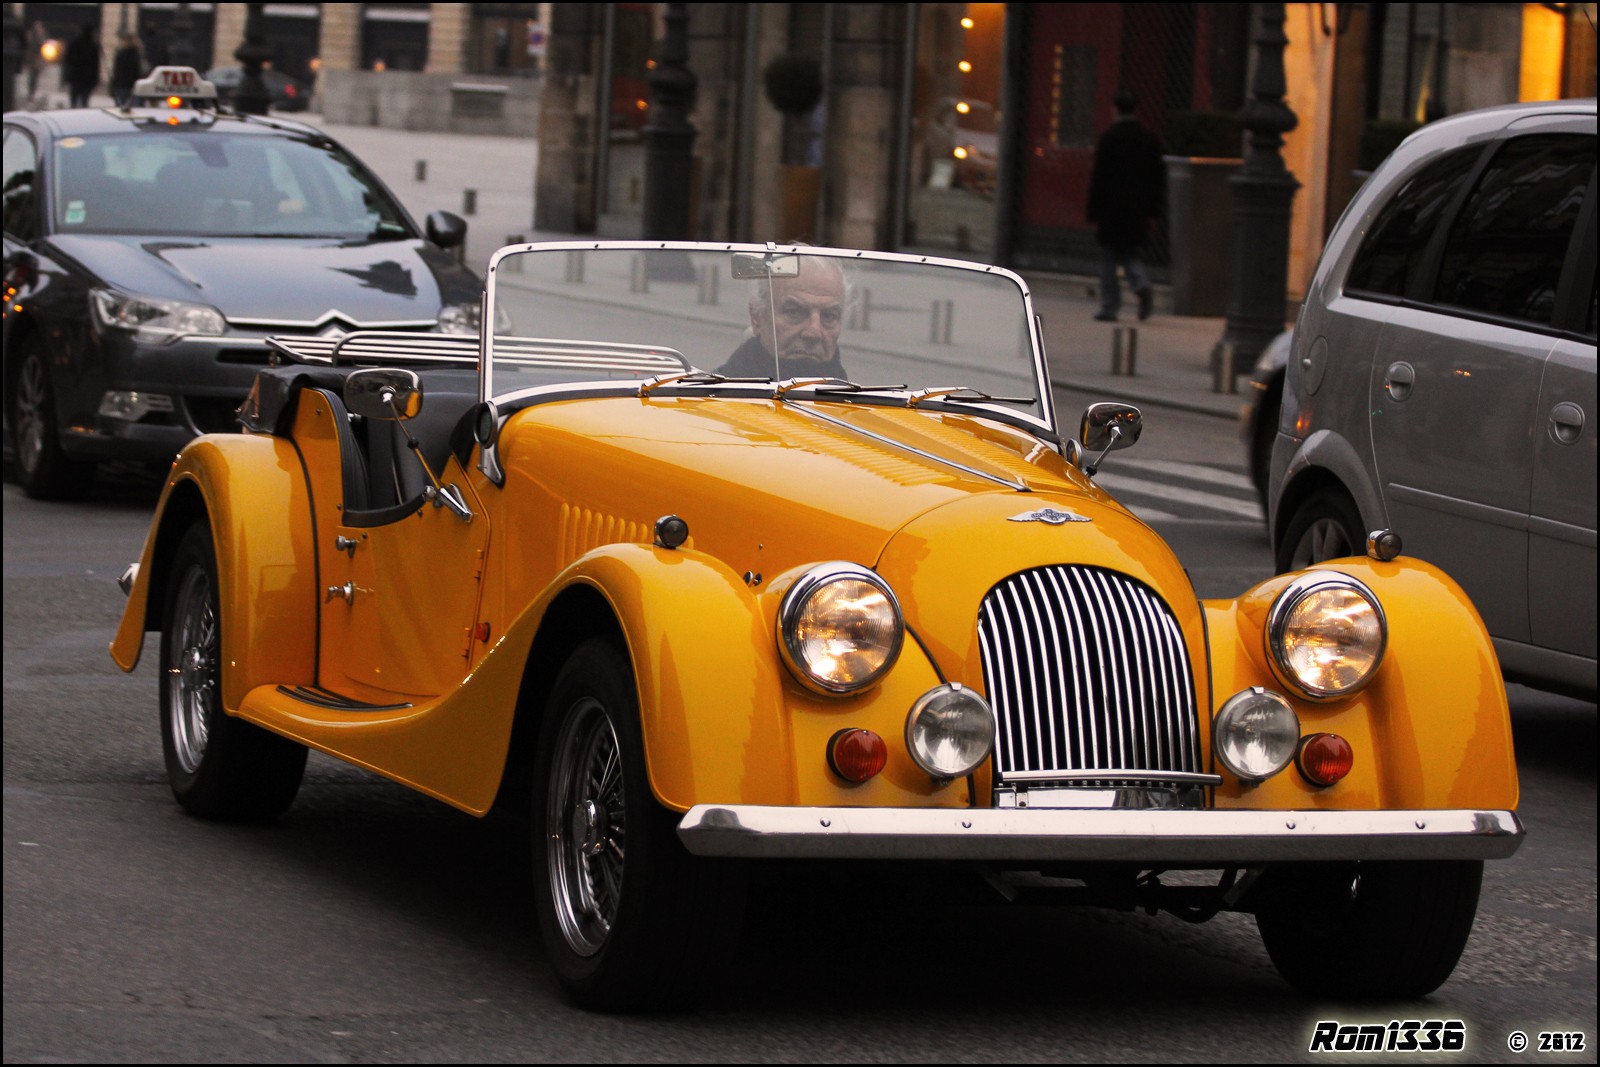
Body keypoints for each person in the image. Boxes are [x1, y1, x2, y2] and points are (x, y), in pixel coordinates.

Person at [1086, 89, 1166, 323]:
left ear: (1115, 109)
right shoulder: (1149, 140)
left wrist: (1094, 210)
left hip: (1111, 207)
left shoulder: (1108, 139)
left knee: (1109, 257)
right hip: (1138, 208)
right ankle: (1141, 285)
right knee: (1130, 254)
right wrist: (1154, 210)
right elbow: (1156, 179)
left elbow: (1099, 177)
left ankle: (1110, 307)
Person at [717, 255, 849, 379]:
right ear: (757, 317)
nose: (813, 333)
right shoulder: (715, 398)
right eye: (794, 312)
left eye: (829, 316)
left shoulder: (855, 400)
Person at [63, 24, 100, 108]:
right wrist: (95, 79)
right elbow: (95, 64)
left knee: (73, 101)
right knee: (85, 101)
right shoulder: (93, 46)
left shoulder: (74, 43)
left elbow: (67, 59)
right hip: (88, 78)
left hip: (75, 76)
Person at [110, 33, 144, 108]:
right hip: (133, 85)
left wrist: (113, 86)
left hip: (121, 85)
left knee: (120, 108)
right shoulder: (137, 55)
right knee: (135, 108)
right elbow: (138, 71)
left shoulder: (121, 54)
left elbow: (116, 72)